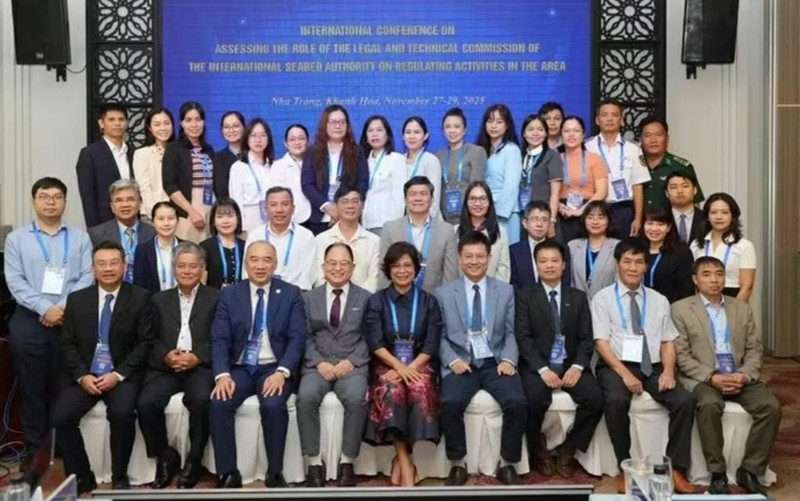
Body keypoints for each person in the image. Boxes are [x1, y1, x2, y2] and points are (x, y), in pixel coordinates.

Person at [4, 177, 94, 482]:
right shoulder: (17, 239)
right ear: (34, 202)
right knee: (32, 389)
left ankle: (64, 449)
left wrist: (62, 309)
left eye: (57, 197)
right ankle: (35, 450)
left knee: (65, 388)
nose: (51, 202)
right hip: (30, 322)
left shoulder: (80, 237)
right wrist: (45, 308)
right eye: (45, 197)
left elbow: (86, 276)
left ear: (65, 202)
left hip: (71, 322)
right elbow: (15, 282)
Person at [592, 239, 695, 494]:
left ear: (645, 266)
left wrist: (669, 372)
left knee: (683, 400)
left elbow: (668, 340)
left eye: (638, 262)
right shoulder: (602, 298)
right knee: (615, 399)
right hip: (616, 365)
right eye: (626, 261)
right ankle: (624, 468)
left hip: (652, 366)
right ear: (617, 264)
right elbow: (601, 343)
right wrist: (625, 374)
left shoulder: (659, 300)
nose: (632, 267)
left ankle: (675, 470)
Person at [52, 241, 154, 494]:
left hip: (121, 375)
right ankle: (82, 477)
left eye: (113, 263)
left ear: (124, 265)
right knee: (60, 417)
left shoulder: (141, 298)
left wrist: (117, 375)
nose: (108, 268)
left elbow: (145, 344)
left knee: (122, 414)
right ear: (93, 268)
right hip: (87, 375)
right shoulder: (77, 300)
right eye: (102, 263)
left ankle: (119, 476)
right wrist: (82, 376)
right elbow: (67, 343)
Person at [673, 257, 781, 496]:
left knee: (770, 406)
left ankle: (750, 470)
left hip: (738, 374)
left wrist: (744, 375)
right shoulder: (680, 308)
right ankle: (718, 472)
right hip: (704, 377)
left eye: (719, 274)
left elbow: (755, 348)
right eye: (707, 274)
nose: (714, 279)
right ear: (695, 279)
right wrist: (711, 376)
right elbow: (682, 355)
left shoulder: (740, 307)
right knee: (710, 404)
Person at [208, 241, 306, 488]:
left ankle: (275, 471)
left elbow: (297, 339)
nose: (260, 265)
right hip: (240, 369)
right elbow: (219, 338)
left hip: (273, 367)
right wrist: (222, 375)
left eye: (266, 260)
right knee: (219, 402)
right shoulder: (230, 294)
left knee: (273, 405)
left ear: (275, 264)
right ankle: (228, 472)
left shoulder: (291, 293)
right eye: (254, 259)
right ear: (246, 263)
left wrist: (283, 372)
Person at [436, 231, 528, 486]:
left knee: (518, 402)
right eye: (469, 256)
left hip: (494, 361)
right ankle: (458, 464)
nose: (474, 261)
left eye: (480, 256)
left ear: (488, 258)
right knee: (450, 402)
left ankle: (508, 463)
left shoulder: (506, 291)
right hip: (461, 362)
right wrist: (452, 360)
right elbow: (439, 336)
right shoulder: (444, 293)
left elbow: (511, 332)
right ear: (460, 259)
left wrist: (509, 360)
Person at [515, 239, 603, 477]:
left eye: (555, 261)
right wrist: (543, 370)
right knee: (532, 400)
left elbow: (587, 338)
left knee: (595, 399)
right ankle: (538, 451)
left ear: (564, 265)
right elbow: (523, 339)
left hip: (571, 363)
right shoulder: (524, 296)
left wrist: (577, 367)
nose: (549, 266)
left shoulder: (578, 297)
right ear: (536, 265)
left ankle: (569, 449)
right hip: (539, 366)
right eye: (543, 261)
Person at [137, 242, 218, 489]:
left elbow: (224, 337)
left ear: (202, 268)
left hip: (199, 367)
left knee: (202, 400)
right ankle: (165, 456)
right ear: (173, 269)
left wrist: (198, 356)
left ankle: (194, 461)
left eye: (193, 266)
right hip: (167, 367)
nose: (186, 271)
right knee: (145, 402)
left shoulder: (217, 298)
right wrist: (166, 355)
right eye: (181, 265)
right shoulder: (158, 300)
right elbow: (148, 338)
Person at [363, 242, 442, 487]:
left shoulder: (429, 301)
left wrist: (411, 368)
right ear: (388, 269)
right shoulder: (377, 301)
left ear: (417, 269)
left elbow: (431, 342)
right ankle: (404, 460)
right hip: (387, 364)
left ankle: (403, 459)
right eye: (396, 266)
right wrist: (399, 368)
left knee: (419, 388)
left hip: (421, 363)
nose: (402, 271)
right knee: (392, 390)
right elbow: (375, 342)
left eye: (408, 265)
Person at [297, 243, 371, 487]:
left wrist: (352, 362)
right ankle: (314, 465)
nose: (337, 268)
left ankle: (347, 462)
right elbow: (303, 336)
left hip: (352, 366)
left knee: (357, 398)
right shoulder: (308, 298)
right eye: (332, 263)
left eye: (343, 263)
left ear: (352, 267)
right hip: (317, 365)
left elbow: (370, 337)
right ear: (323, 266)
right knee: (305, 398)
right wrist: (318, 362)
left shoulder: (366, 298)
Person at [379, 176, 459, 293]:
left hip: (434, 303)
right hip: (397, 302)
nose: (418, 198)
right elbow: (384, 272)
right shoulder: (390, 229)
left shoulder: (446, 230)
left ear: (431, 199)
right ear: (405, 200)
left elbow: (450, 275)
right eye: (413, 194)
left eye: (423, 193)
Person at [585, 100, 651, 239]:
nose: (609, 119)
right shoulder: (587, 147)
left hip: (624, 210)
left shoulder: (633, 149)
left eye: (614, 115)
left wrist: (637, 218)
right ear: (597, 120)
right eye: (604, 115)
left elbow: (637, 185)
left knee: (624, 253)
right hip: (596, 210)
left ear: (621, 120)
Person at [301, 105, 369, 235]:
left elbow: (362, 183)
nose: (338, 126)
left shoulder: (357, 152)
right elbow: (307, 185)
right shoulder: (312, 152)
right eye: (333, 122)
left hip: (348, 216)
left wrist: (342, 209)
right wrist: (327, 207)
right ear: (325, 125)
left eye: (342, 122)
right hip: (319, 217)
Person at [163, 101, 223, 243]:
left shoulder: (208, 149)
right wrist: (191, 211)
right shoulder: (174, 148)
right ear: (182, 124)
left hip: (210, 205)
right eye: (188, 120)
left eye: (198, 120)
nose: (194, 125)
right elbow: (169, 185)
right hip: (188, 209)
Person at [244, 187, 317, 291]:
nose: (279, 210)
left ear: (293, 208)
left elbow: (308, 276)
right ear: (265, 209)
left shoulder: (306, 236)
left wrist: (289, 296)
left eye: (285, 204)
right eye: (273, 205)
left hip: (295, 297)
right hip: (260, 294)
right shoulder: (255, 235)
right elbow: (247, 271)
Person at [690, 193, 756, 301]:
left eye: (725, 212)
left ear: (733, 216)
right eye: (713, 212)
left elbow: (746, 287)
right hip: (701, 300)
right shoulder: (696, 244)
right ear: (707, 216)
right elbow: (693, 281)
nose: (719, 217)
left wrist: (735, 312)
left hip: (732, 298)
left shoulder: (744, 246)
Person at [76, 104, 134, 228]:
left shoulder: (134, 152)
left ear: (127, 123)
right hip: (105, 222)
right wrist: (95, 230)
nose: (117, 124)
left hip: (134, 221)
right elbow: (88, 197)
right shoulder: (89, 154)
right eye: (111, 120)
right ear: (101, 123)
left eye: (121, 119)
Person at [88, 180, 156, 283]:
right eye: (119, 200)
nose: (125, 205)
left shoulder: (153, 232)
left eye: (130, 199)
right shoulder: (96, 234)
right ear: (112, 207)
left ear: (139, 204)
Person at [313, 187, 380, 292]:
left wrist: (357, 299)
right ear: (335, 206)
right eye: (344, 202)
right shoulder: (321, 239)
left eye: (355, 201)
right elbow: (319, 276)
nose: (350, 206)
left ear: (362, 205)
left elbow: (374, 279)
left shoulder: (374, 241)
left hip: (364, 303)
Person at [557, 116, 608, 243]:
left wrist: (581, 211)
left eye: (576, 130)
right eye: (567, 131)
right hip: (560, 211)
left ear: (583, 134)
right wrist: (557, 206)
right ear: (561, 134)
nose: (571, 134)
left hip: (588, 211)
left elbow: (602, 192)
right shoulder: (554, 159)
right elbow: (547, 189)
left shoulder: (594, 158)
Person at [477, 104, 523, 244]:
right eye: (490, 121)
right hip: (484, 212)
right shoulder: (481, 150)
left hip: (505, 215)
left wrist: (495, 214)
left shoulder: (511, 150)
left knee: (508, 258)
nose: (494, 126)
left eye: (499, 121)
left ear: (507, 125)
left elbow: (511, 186)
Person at [434, 108, 486, 224]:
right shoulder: (437, 156)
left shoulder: (476, 151)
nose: (452, 131)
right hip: (443, 218)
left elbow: (477, 187)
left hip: (469, 217)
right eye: (448, 127)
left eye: (457, 127)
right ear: (443, 131)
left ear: (464, 130)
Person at [639, 117, 704, 210]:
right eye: (647, 135)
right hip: (636, 223)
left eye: (658, 135)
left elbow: (693, 203)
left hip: (671, 223)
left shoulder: (681, 167)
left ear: (667, 138)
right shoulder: (633, 165)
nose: (653, 140)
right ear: (640, 139)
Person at [360, 115, 407, 234]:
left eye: (379, 130)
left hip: (386, 225)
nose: (374, 134)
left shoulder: (396, 159)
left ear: (387, 135)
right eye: (370, 130)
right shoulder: (362, 162)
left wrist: (394, 228)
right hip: (364, 224)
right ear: (366, 137)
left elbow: (399, 198)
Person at [455, 181, 510, 282]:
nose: (478, 203)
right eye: (473, 199)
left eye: (483, 199)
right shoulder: (454, 232)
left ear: (490, 203)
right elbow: (452, 270)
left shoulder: (501, 233)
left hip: (493, 293)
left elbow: (503, 270)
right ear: (466, 202)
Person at [228, 118, 276, 232]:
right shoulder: (238, 167)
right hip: (249, 221)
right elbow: (236, 200)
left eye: (263, 135)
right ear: (246, 139)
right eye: (253, 135)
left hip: (273, 219)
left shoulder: (274, 165)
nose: (258, 140)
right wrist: (240, 226)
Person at [519, 114, 563, 235]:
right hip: (523, 216)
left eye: (540, 129)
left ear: (546, 133)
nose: (535, 133)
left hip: (543, 218)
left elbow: (555, 193)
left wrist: (551, 220)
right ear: (524, 133)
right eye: (530, 129)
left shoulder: (552, 156)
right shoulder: (519, 156)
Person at [641, 206, 694, 303]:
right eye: (650, 223)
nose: (654, 228)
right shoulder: (637, 250)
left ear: (668, 228)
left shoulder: (681, 253)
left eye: (660, 224)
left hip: (671, 308)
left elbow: (686, 290)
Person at [568, 201, 620, 299]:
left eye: (601, 217)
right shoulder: (572, 246)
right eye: (590, 217)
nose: (595, 222)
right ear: (584, 220)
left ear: (609, 220)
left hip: (607, 305)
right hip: (578, 308)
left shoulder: (618, 246)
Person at [510, 201, 567, 289]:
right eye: (534, 219)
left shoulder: (561, 249)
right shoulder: (514, 251)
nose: (539, 224)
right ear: (525, 223)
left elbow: (565, 282)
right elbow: (513, 284)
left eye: (544, 220)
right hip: (522, 301)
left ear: (550, 224)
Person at [133, 107, 175, 220]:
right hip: (151, 214)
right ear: (150, 128)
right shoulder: (142, 153)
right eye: (157, 124)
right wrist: (156, 214)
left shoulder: (180, 151)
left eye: (166, 123)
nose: (163, 128)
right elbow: (144, 188)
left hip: (178, 215)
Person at [133, 202, 181, 294]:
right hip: (153, 305)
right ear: (153, 222)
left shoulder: (187, 247)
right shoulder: (143, 250)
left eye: (171, 218)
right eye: (161, 219)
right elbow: (139, 285)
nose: (166, 223)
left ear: (178, 221)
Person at [270, 124, 312, 226]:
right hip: (290, 220)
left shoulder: (316, 163)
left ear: (308, 141)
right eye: (292, 139)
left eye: (301, 138)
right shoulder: (278, 166)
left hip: (315, 219)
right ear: (285, 143)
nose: (297, 142)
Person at [199, 198, 246, 289]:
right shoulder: (205, 247)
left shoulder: (245, 246)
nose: (225, 221)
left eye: (230, 216)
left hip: (241, 299)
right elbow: (201, 283)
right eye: (220, 217)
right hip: (214, 299)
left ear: (238, 219)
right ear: (213, 221)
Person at [402, 116, 443, 220]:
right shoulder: (398, 160)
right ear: (403, 136)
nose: (412, 136)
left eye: (417, 132)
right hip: (403, 221)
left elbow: (434, 197)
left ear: (425, 136)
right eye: (408, 132)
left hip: (428, 222)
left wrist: (426, 222)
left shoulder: (431, 160)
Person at [666, 171, 705, 245]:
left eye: (685, 186)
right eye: (674, 187)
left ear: (695, 190)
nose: (680, 191)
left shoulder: (706, 218)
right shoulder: (660, 219)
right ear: (667, 193)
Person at [214, 111, 247, 199]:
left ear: (244, 128)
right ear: (221, 131)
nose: (231, 130)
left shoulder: (254, 155)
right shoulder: (217, 159)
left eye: (236, 126)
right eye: (226, 127)